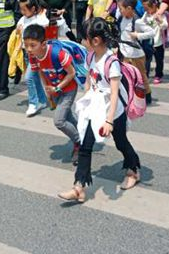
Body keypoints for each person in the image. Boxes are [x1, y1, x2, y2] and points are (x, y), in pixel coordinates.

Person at [58, 18, 141, 203]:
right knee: (85, 146)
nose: (81, 41)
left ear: (95, 40)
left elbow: (114, 93)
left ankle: (133, 170)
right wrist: (87, 96)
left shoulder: (112, 62)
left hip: (113, 111)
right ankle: (78, 187)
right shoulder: (90, 56)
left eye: (84, 38)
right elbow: (89, 78)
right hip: (95, 108)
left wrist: (109, 120)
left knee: (121, 143)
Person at [23, 24, 81, 164]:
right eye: (26, 45)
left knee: (59, 121)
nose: (29, 49)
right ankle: (84, 133)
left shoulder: (57, 53)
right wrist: (48, 90)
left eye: (33, 45)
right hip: (54, 89)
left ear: (43, 44)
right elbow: (42, 72)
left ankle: (80, 143)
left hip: (68, 89)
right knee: (68, 117)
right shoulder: (34, 57)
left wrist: (58, 88)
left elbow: (71, 73)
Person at [117, 0, 154, 104]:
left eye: (121, 8)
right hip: (124, 53)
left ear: (129, 8)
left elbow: (151, 32)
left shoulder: (137, 21)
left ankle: (147, 96)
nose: (119, 11)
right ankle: (130, 97)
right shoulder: (121, 18)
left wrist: (138, 35)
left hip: (136, 55)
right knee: (126, 76)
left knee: (141, 76)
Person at [16, 0, 49, 117]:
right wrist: (18, 30)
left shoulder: (39, 18)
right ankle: (42, 100)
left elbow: (45, 23)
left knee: (29, 78)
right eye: (21, 9)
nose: (22, 12)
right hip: (27, 53)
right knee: (34, 78)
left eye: (25, 9)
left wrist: (42, 13)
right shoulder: (23, 19)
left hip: (36, 55)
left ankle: (33, 103)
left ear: (33, 8)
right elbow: (18, 28)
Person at [141, 0, 167, 84]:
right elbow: (141, 23)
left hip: (158, 42)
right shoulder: (146, 14)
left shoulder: (161, 14)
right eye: (144, 8)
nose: (146, 10)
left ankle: (158, 75)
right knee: (147, 60)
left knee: (159, 60)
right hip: (148, 42)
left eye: (147, 8)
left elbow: (165, 26)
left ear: (154, 5)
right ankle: (145, 75)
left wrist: (160, 20)